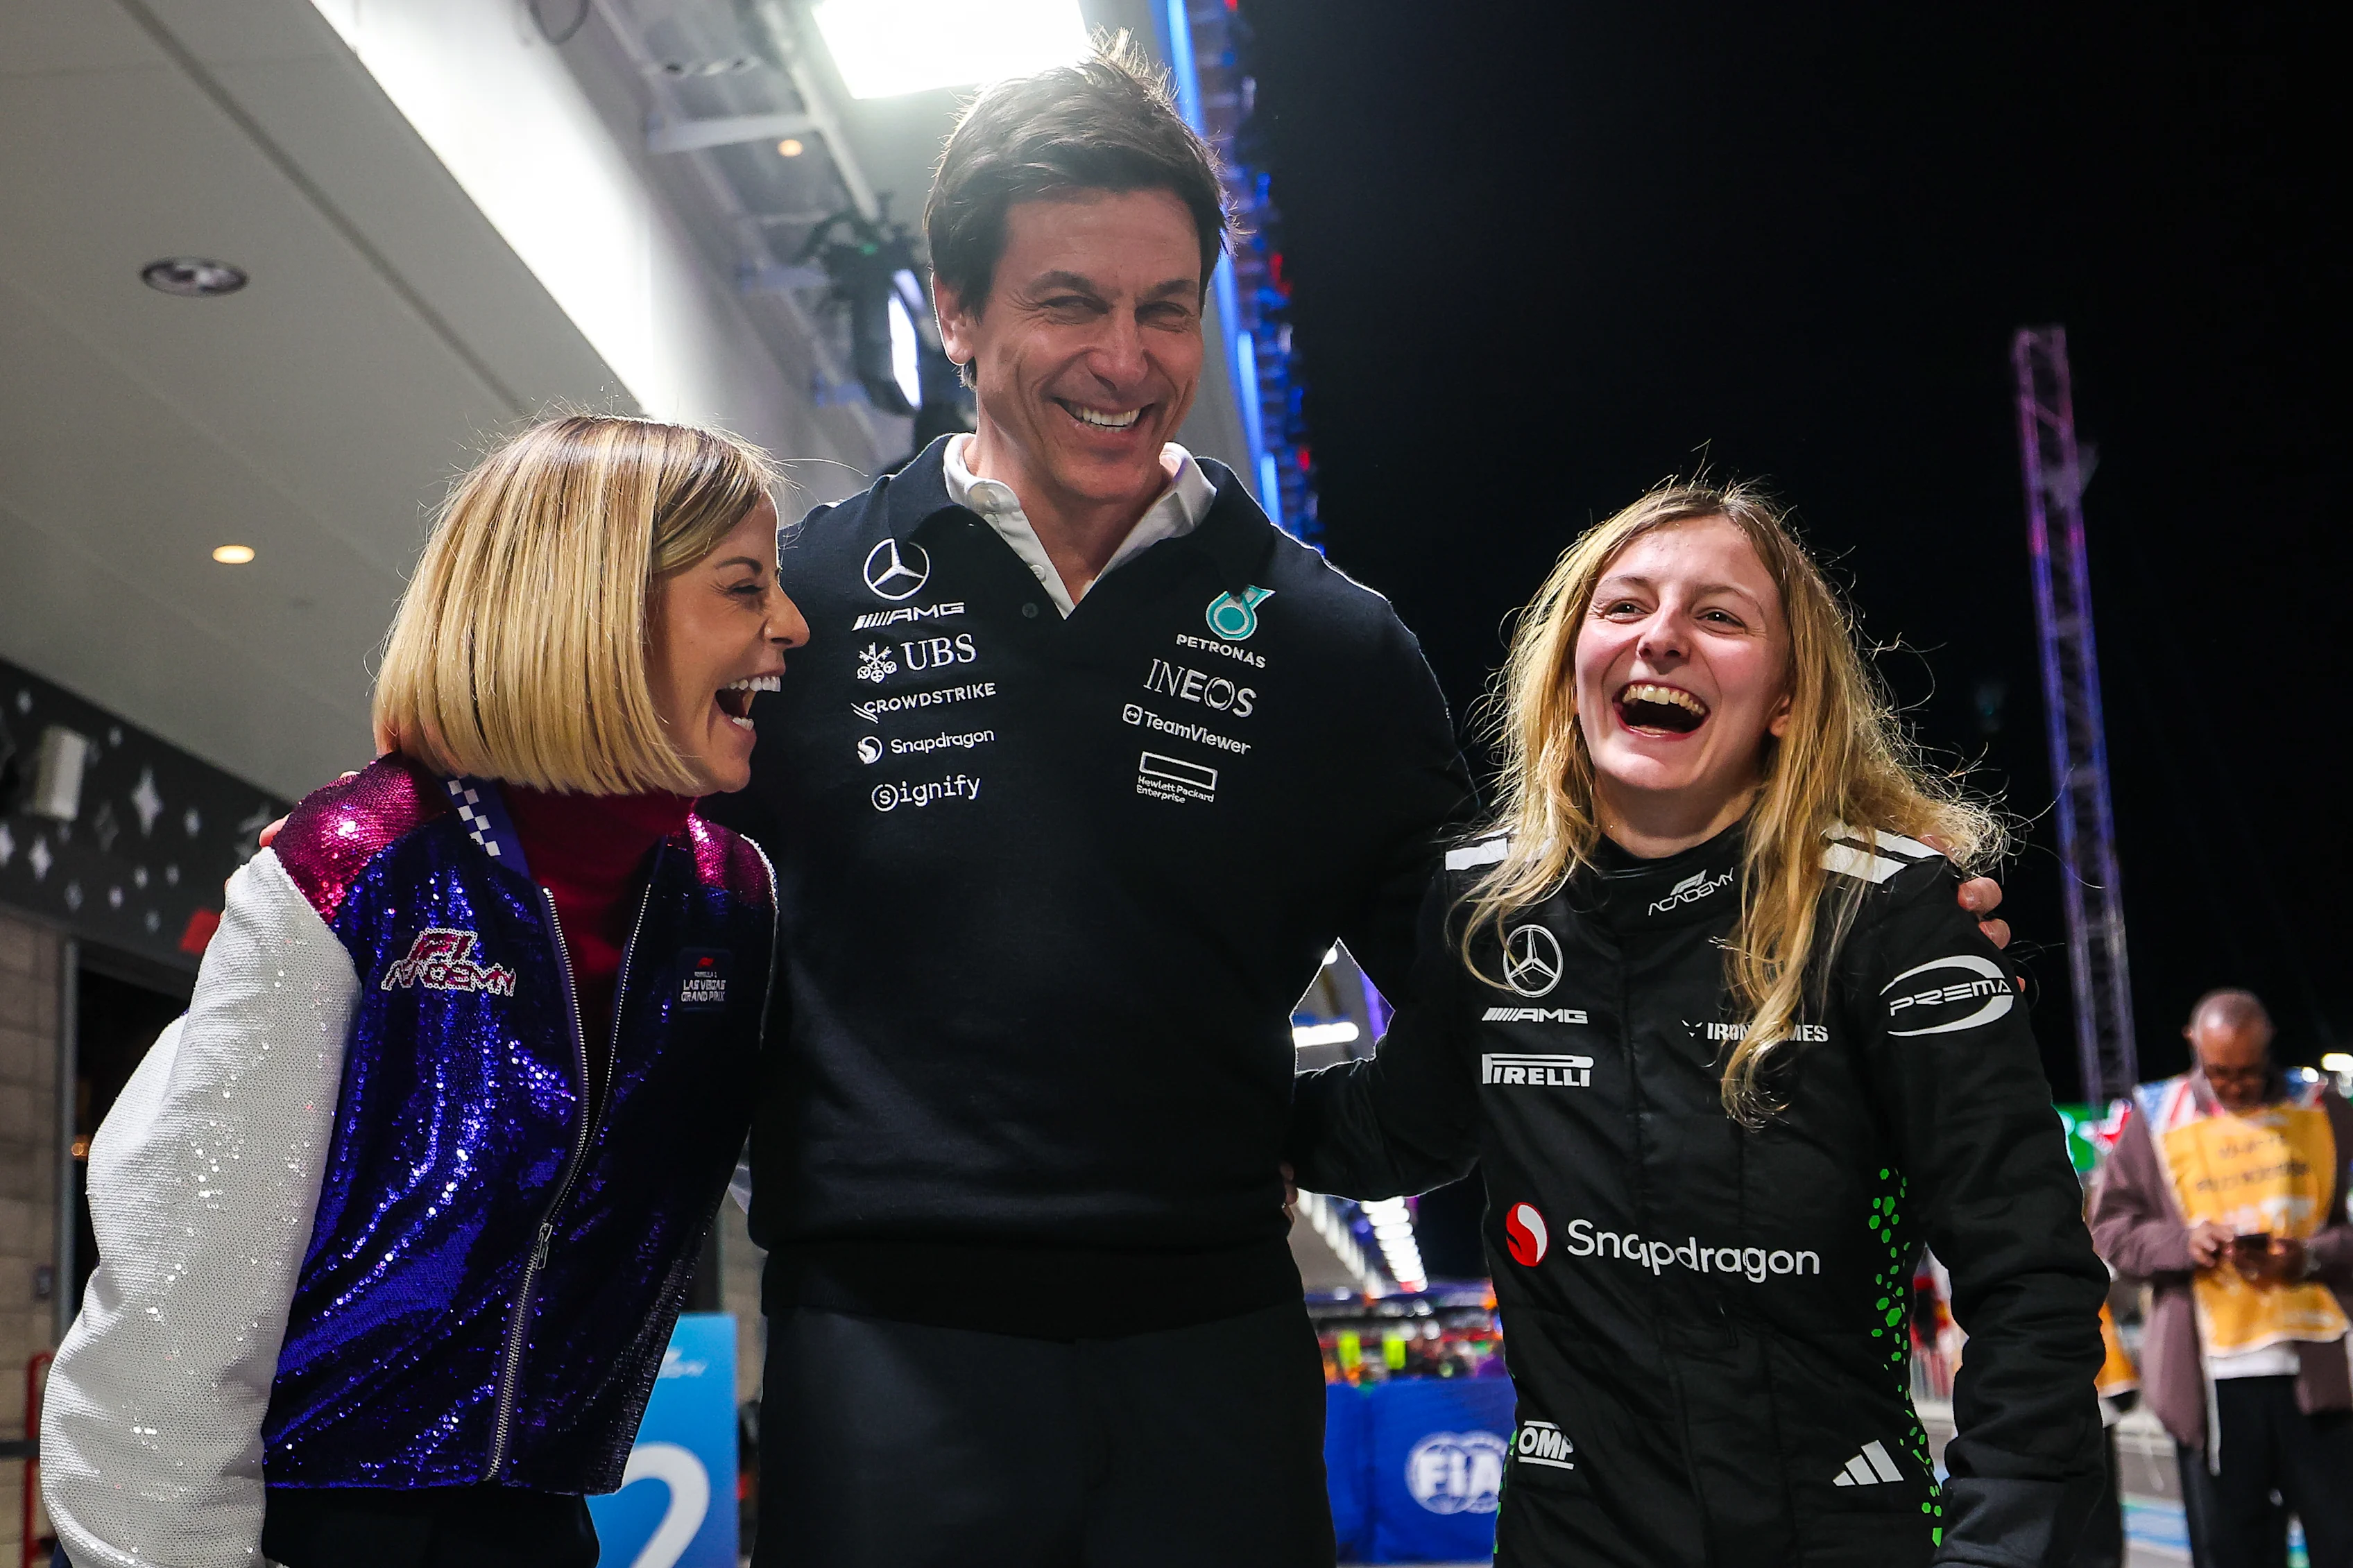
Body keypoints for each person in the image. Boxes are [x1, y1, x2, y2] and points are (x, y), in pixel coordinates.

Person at [698, 39, 2015, 1567]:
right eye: (1068, 303)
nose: (1123, 358)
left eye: (1164, 309)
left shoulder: (1332, 647)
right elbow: (658, 908)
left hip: (1208, 1355)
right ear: (956, 309)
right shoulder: (805, 600)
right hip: (879, 1349)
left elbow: (1516, 969)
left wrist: (1844, 924)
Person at [1286, 481, 2107, 1565]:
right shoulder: (1485, 907)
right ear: (1569, 665)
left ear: (1786, 698)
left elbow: (2030, 1277)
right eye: (1624, 606)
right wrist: (1177, 1106)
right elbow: (1396, 1128)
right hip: (1567, 1541)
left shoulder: (1894, 916)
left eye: (1720, 616)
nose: (1663, 637)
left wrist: (2002, 1549)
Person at [40, 416, 808, 1568]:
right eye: (744, 587)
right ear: (594, 607)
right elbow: (178, 1304)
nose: (790, 624)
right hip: (284, 1521)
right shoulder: (358, 866)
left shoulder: (730, 900)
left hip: (542, 1526)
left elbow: (818, 1176)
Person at [2088, 989, 2353, 1568]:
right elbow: (2112, 1231)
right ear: (2193, 1044)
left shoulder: (2322, 1107)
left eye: (2248, 1071)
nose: (2235, 1086)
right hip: (2209, 1385)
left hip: (2319, 1375)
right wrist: (2184, 1244)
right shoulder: (2156, 1115)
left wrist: (2308, 1256)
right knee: (2231, 1552)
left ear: (2270, 1044)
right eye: (2219, 1072)